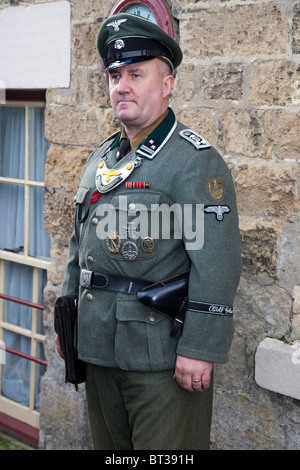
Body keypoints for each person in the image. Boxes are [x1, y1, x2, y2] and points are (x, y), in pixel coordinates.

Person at [55, 12, 242, 450]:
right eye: (114, 74)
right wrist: (69, 323)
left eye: (136, 74)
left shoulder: (193, 161)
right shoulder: (101, 158)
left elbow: (218, 263)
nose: (121, 85)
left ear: (167, 83)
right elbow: (78, 247)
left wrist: (200, 348)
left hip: (160, 357)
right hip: (98, 349)